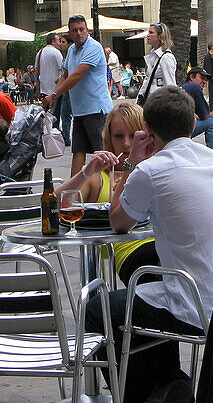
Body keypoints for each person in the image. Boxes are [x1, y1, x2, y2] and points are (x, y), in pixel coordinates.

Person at [87, 87, 213, 403]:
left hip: (195, 305)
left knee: (98, 308)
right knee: (144, 288)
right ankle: (167, 386)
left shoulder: (150, 170)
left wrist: (133, 160)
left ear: (148, 130)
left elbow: (118, 222)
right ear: (194, 121)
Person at [57, 101, 157, 283]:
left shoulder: (155, 169)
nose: (126, 144)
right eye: (119, 136)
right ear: (109, 138)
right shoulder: (99, 177)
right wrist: (86, 172)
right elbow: (54, 204)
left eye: (133, 136)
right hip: (131, 259)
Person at [40, 15, 114, 176]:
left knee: (102, 153)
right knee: (78, 150)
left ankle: (110, 190)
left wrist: (54, 96)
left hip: (96, 109)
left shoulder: (93, 47)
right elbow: (65, 75)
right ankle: (72, 191)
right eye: (75, 30)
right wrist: (53, 95)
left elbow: (77, 76)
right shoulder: (72, 50)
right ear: (70, 33)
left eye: (82, 29)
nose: (79, 33)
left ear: (87, 30)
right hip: (80, 110)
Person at [181, 67, 213, 151]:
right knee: (211, 122)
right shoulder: (195, 87)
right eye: (201, 78)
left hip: (168, 130)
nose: (204, 81)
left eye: (206, 80)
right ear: (191, 77)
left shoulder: (181, 87)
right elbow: (204, 116)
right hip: (180, 130)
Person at [137, 22, 177, 103]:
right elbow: (147, 80)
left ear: (160, 36)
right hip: (151, 100)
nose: (148, 35)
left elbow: (170, 83)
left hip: (159, 102)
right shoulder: (153, 55)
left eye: (151, 33)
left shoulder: (166, 57)